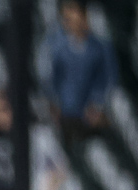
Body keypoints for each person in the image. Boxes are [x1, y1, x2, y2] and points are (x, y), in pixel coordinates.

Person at [42, 0, 115, 148]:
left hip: (90, 117)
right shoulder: (54, 45)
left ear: (85, 17)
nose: (69, 21)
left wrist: (97, 103)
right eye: (66, 17)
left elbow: (108, 77)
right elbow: (46, 76)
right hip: (62, 115)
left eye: (74, 15)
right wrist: (52, 101)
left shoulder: (100, 47)